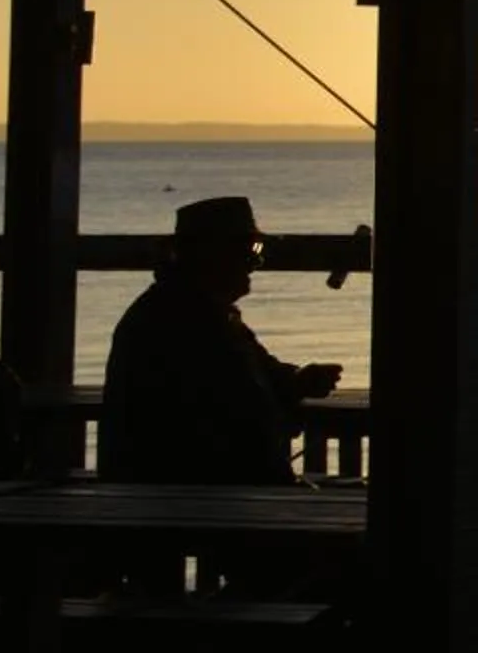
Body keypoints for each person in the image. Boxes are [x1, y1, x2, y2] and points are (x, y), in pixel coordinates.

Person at [100, 196, 341, 485]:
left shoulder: (203, 313)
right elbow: (231, 419)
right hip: (189, 496)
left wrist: (297, 379)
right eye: (249, 249)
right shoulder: (180, 323)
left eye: (257, 248)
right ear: (211, 253)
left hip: (193, 491)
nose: (256, 261)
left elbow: (260, 373)